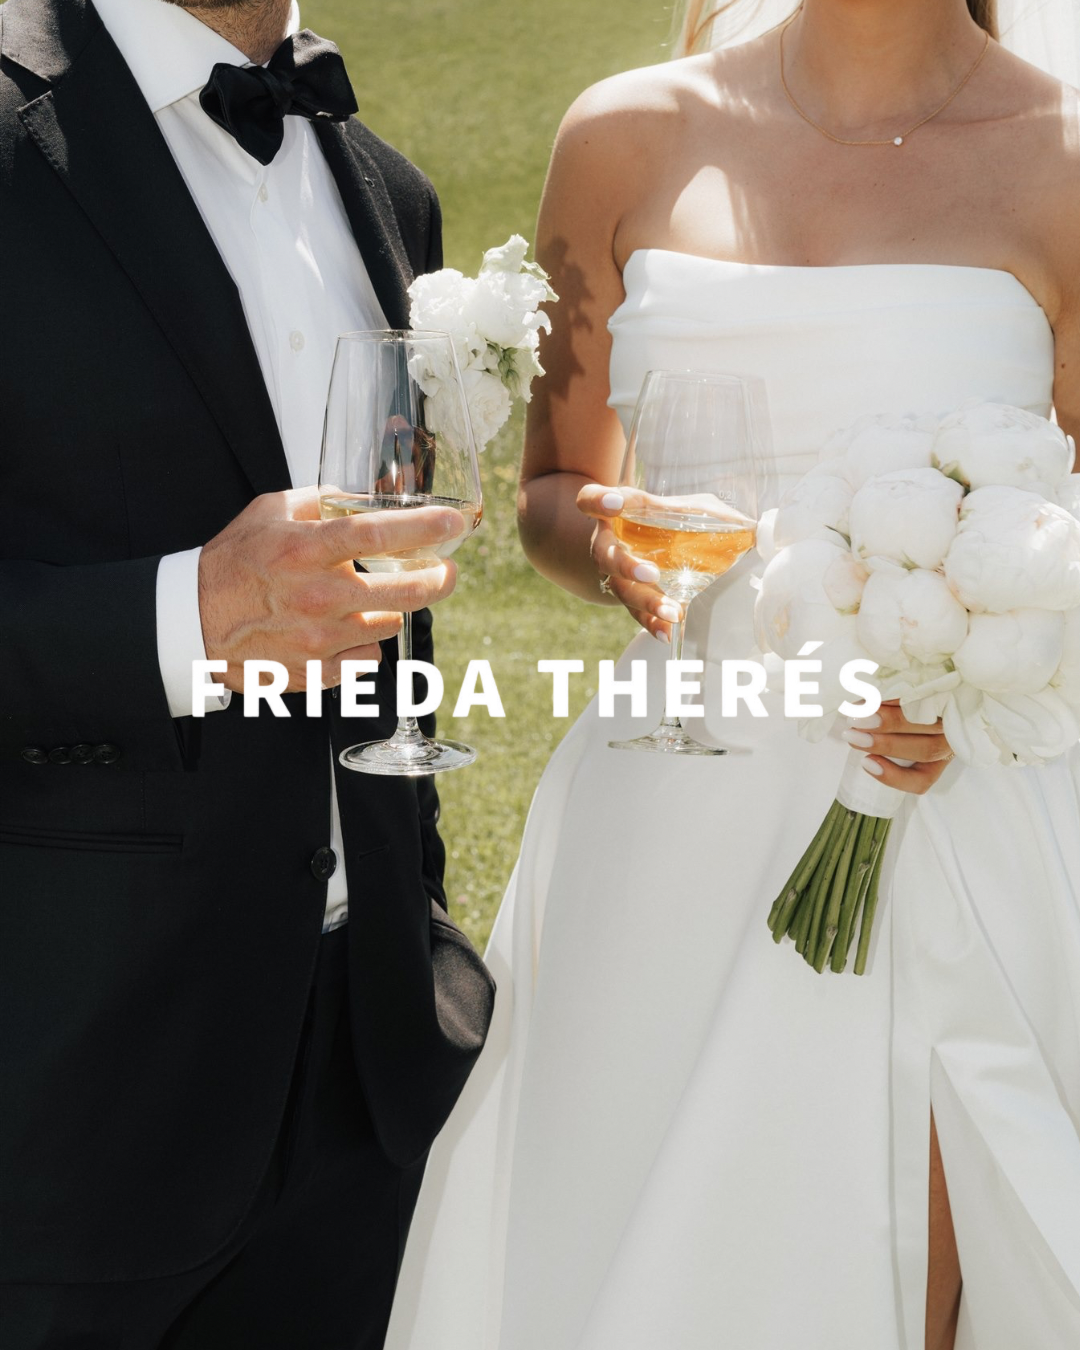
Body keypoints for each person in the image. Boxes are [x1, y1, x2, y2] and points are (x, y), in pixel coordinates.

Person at [387, 2, 1080, 1347]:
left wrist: (992, 660)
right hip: (667, 801)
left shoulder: (1061, 158)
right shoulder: (625, 133)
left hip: (946, 795)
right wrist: (616, 551)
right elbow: (552, 487)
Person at [0, 0, 494, 1345]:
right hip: (64, 1105)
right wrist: (186, 616)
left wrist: (421, 920)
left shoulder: (387, 187)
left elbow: (391, 610)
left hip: (361, 1087)